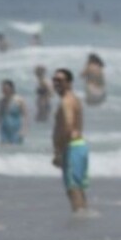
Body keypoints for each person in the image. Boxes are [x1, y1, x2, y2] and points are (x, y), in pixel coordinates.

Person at [51, 69, 88, 213]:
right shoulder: (73, 99)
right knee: (77, 188)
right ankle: (84, 217)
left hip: (71, 147)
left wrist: (59, 152)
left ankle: (80, 220)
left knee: (72, 189)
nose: (56, 83)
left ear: (69, 83)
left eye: (60, 80)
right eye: (54, 80)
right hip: (78, 146)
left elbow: (68, 125)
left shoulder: (66, 101)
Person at [0, 79, 27, 145]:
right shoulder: (1, 101)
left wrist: (23, 130)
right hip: (4, 130)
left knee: (15, 148)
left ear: (11, 88)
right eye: (3, 88)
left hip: (16, 130)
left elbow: (25, 116)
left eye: (6, 88)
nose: (4, 90)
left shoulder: (19, 100)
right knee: (3, 148)